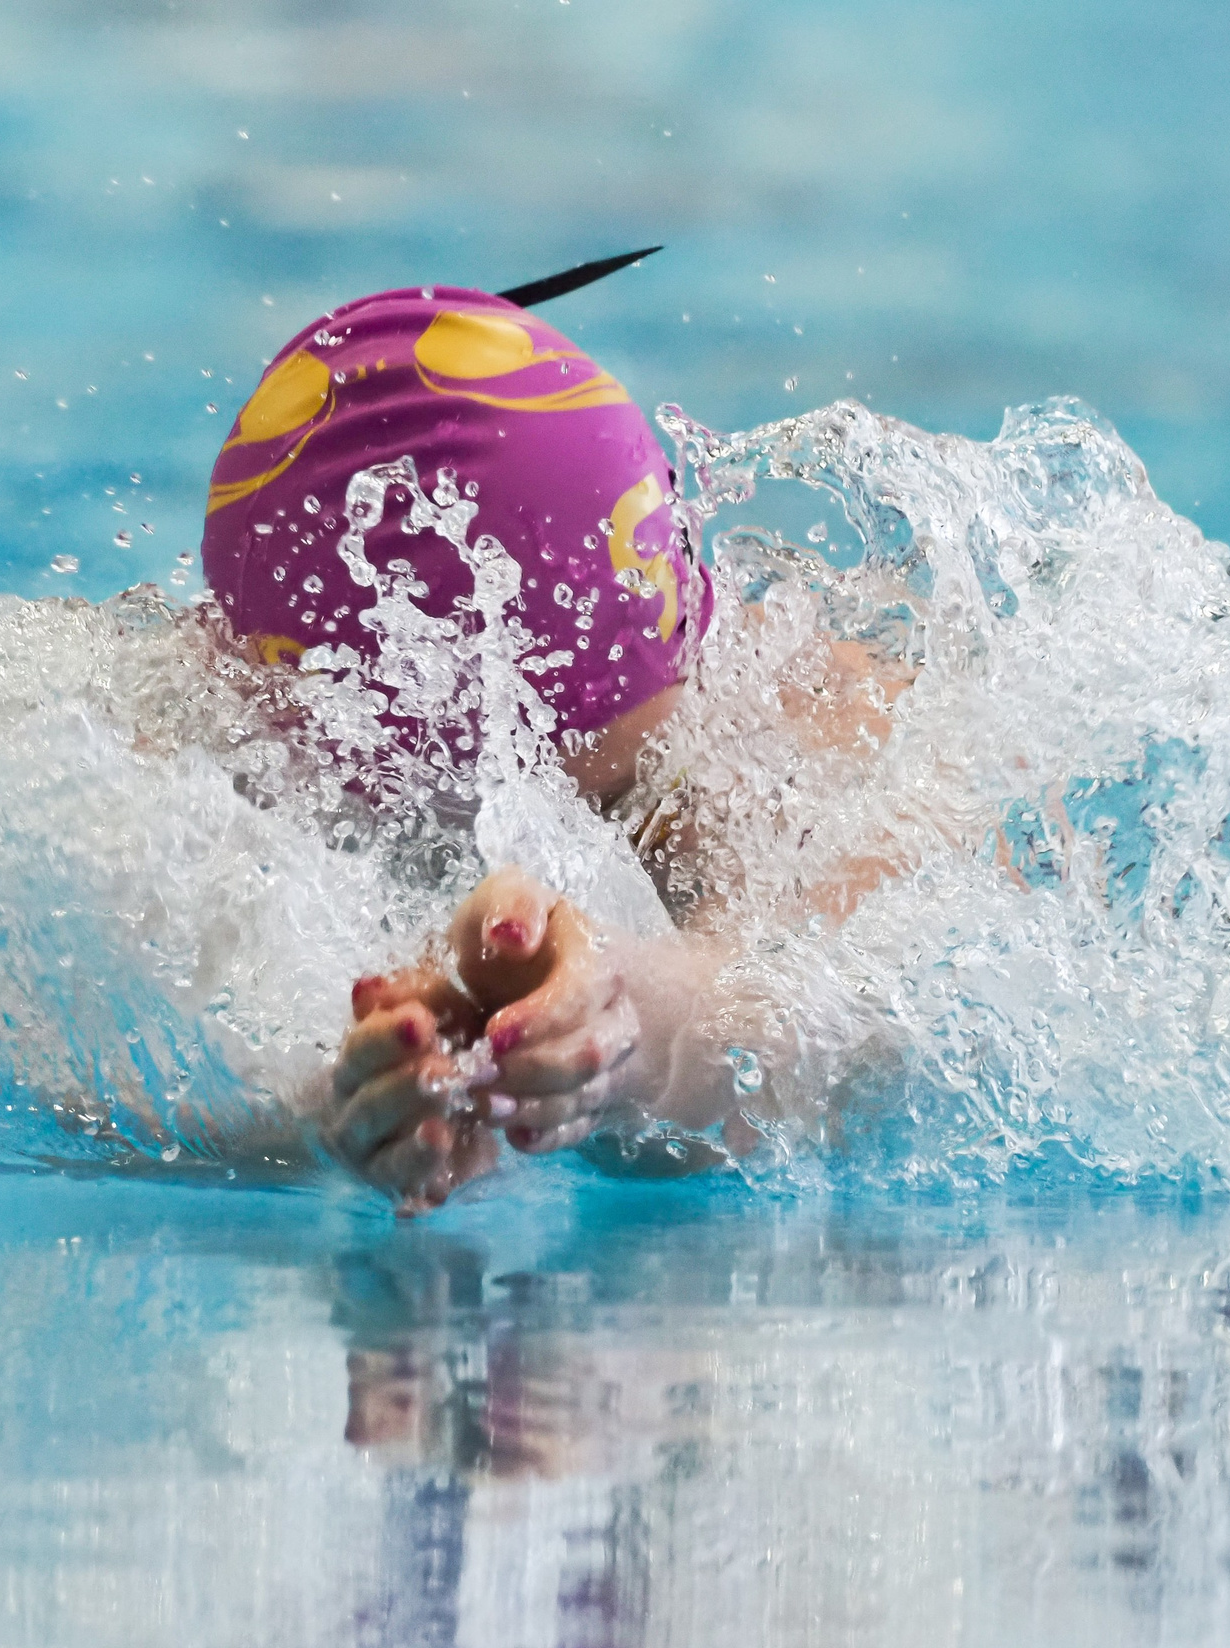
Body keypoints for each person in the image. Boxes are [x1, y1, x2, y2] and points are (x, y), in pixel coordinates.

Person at [201, 273, 903, 1214]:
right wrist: (325, 1107)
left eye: (623, 802)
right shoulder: (167, 753)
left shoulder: (824, 728)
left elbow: (860, 1028)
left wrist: (633, 1033)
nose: (608, 835)